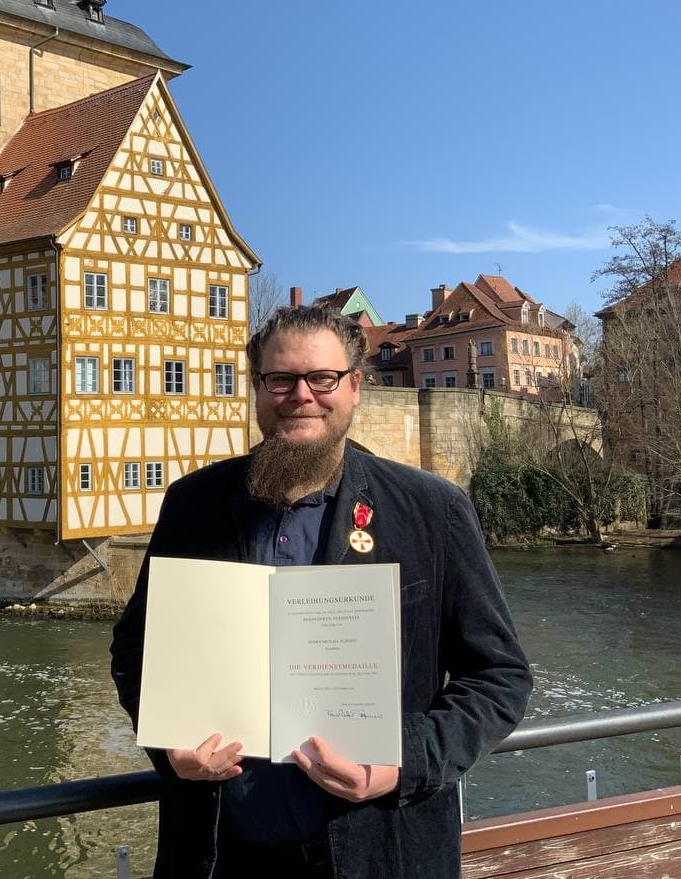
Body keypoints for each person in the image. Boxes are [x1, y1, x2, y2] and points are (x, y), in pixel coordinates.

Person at [110, 305, 532, 879]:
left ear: (354, 387)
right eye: (280, 379)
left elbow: (499, 678)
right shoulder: (194, 504)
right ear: (257, 388)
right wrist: (167, 743)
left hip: (381, 851)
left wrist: (402, 760)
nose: (301, 395)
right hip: (221, 855)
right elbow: (136, 649)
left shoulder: (432, 510)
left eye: (322, 379)